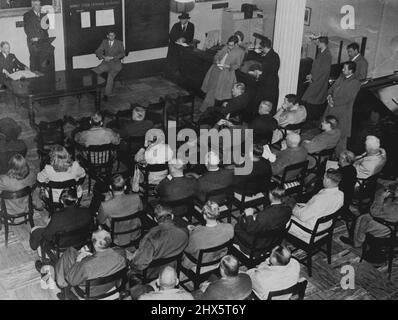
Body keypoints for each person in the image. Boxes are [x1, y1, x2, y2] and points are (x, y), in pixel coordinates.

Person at [55, 228, 127, 300]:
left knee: (69, 252)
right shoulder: (121, 252)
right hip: (110, 285)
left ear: (95, 244)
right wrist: (92, 256)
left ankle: (62, 285)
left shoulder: (86, 265)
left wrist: (78, 261)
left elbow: (71, 280)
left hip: (91, 291)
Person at [30, 188, 93, 267]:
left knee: (35, 230)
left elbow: (47, 235)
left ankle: (37, 251)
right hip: (80, 241)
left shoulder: (57, 216)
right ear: (76, 200)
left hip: (61, 244)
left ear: (62, 201)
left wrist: (48, 225)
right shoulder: (87, 211)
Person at [129, 205, 188, 277]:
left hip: (151, 273)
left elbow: (140, 264)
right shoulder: (184, 232)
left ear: (155, 219)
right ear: (172, 216)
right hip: (172, 268)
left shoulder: (151, 238)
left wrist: (131, 263)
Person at [287, 169, 344, 243]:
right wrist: (299, 205)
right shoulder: (340, 195)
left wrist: (292, 207)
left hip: (310, 231)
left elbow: (302, 216)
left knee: (282, 218)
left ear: (328, 181)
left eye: (324, 178)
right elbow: (316, 208)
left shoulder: (321, 198)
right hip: (325, 227)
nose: (322, 179)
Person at [234, 187, 292, 256]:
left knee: (237, 226)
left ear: (270, 195)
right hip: (273, 242)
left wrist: (249, 215)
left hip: (257, 246)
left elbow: (251, 229)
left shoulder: (263, 216)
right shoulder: (288, 210)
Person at [182, 201, 234, 270]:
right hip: (219, 259)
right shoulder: (229, 228)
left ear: (204, 216)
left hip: (200, 263)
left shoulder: (197, 235)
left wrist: (192, 232)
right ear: (218, 213)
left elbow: (188, 250)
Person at [324, 61, 361, 155]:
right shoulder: (341, 77)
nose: (342, 70)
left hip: (342, 113)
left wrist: (333, 102)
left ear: (351, 71)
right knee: (329, 132)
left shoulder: (355, 83)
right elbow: (331, 89)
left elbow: (348, 98)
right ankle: (327, 153)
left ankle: (339, 157)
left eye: (345, 68)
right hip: (332, 109)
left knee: (341, 136)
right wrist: (329, 96)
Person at [200, 35, 245, 112]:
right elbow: (217, 55)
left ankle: (209, 110)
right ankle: (206, 109)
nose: (229, 47)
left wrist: (229, 66)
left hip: (226, 74)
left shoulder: (240, 52)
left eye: (231, 45)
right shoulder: (225, 47)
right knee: (210, 90)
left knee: (217, 94)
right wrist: (217, 60)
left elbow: (237, 65)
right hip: (216, 70)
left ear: (236, 44)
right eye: (228, 44)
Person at [97, 174, 143, 247]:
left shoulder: (105, 205)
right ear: (125, 187)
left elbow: (100, 221)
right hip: (135, 233)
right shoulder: (136, 197)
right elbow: (141, 211)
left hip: (117, 238)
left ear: (110, 187)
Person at [302, 36, 332, 121]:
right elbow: (316, 66)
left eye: (318, 42)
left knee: (313, 101)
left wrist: (313, 77)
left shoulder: (327, 54)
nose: (317, 44)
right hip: (315, 80)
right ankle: (309, 118)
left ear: (322, 43)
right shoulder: (321, 52)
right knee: (310, 100)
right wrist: (311, 74)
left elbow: (324, 71)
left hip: (319, 82)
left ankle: (311, 119)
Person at [93, 31, 125, 101]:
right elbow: (98, 51)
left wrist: (113, 57)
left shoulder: (119, 43)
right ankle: (92, 89)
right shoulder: (104, 42)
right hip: (106, 63)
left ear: (115, 35)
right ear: (107, 36)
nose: (112, 37)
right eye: (110, 36)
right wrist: (104, 57)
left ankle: (106, 95)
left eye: (113, 35)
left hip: (116, 65)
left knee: (110, 77)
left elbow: (123, 53)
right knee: (95, 71)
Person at [253, 37, 280, 115]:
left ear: (264, 47)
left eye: (261, 48)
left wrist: (257, 74)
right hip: (273, 83)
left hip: (267, 85)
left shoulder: (268, 58)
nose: (261, 50)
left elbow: (265, 73)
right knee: (270, 106)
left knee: (265, 105)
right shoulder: (275, 55)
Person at [23, 0, 49, 71]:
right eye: (36, 5)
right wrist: (34, 38)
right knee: (34, 62)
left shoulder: (44, 15)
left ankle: (44, 79)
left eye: (39, 5)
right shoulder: (27, 15)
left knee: (43, 63)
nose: (39, 7)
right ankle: (34, 80)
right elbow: (27, 29)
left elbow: (46, 28)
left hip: (43, 42)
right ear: (32, 5)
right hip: (33, 43)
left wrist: (44, 39)